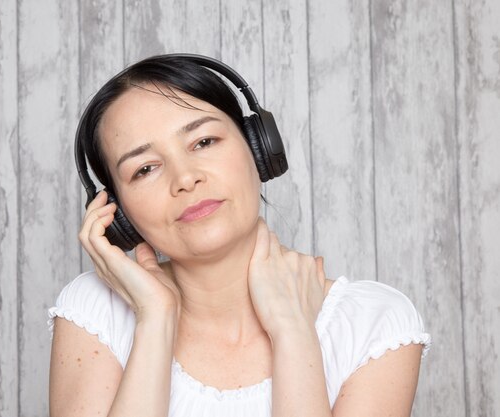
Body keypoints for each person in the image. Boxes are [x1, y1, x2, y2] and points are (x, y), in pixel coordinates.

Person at [47, 54, 430, 417]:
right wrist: (155, 319)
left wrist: (293, 331)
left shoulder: (374, 324)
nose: (185, 179)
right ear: (117, 212)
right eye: (145, 169)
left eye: (203, 142)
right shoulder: (95, 311)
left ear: (259, 148)